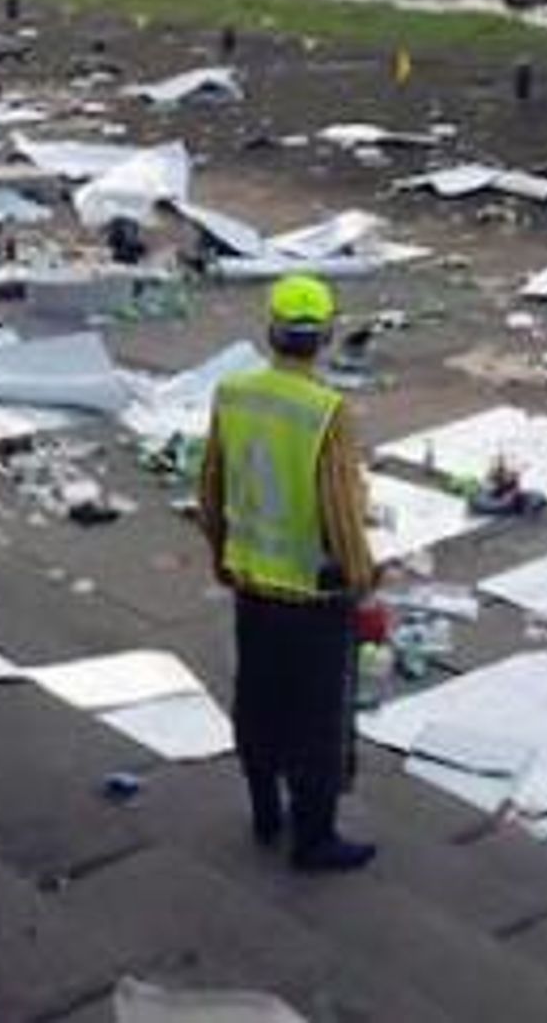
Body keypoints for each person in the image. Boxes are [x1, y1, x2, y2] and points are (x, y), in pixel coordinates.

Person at [199, 275, 379, 872]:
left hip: (252, 584)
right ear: (326, 336)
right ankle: (314, 838)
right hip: (313, 595)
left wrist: (224, 557)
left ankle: (263, 810)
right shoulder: (326, 411)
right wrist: (361, 576)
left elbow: (211, 488)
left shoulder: (233, 392)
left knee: (259, 701)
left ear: (270, 331)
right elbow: (341, 510)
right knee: (316, 721)